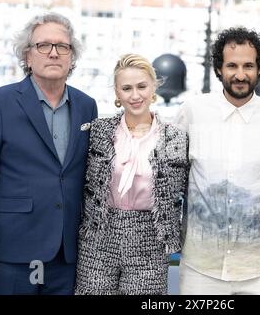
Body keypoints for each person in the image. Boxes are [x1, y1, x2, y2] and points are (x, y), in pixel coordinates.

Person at [0, 12, 98, 294]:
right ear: (27, 55)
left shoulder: (87, 106)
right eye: (43, 45)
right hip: (12, 253)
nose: (53, 53)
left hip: (67, 255)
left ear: (72, 57)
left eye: (62, 46)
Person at [174, 27, 260, 295]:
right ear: (218, 69)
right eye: (232, 65)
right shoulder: (192, 111)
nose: (240, 74)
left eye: (248, 65)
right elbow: (172, 178)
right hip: (201, 265)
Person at [74, 53, 189, 295]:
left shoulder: (175, 138)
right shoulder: (98, 132)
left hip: (150, 238)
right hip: (99, 235)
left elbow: (187, 190)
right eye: (126, 88)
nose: (135, 95)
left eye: (141, 86)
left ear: (153, 88)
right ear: (117, 93)